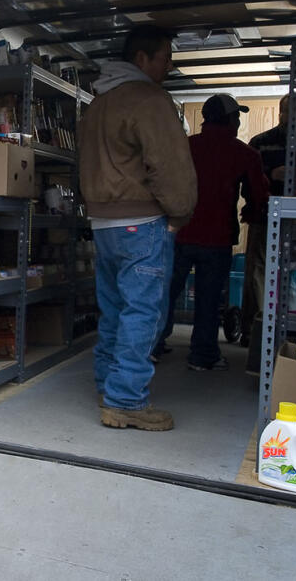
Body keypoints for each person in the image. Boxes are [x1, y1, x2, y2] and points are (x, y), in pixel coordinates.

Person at [78, 26, 197, 431]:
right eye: (165, 57)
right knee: (143, 312)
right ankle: (126, 399)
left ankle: (107, 386)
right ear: (141, 59)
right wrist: (179, 212)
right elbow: (170, 164)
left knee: (113, 309)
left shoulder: (98, 103)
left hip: (103, 223)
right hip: (142, 222)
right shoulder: (149, 99)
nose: (169, 66)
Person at [154, 93, 270, 371]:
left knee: (164, 293)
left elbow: (161, 182)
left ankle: (151, 345)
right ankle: (202, 356)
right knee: (207, 299)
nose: (239, 121)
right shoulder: (245, 154)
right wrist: (250, 215)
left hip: (177, 232)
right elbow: (260, 195)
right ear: (230, 119)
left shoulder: (183, 146)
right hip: (216, 238)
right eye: (237, 117)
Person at [242, 94, 289, 374]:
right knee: (258, 270)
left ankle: (286, 332)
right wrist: (272, 175)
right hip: (264, 216)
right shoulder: (260, 143)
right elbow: (246, 185)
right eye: (284, 110)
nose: (287, 115)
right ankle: (255, 330)